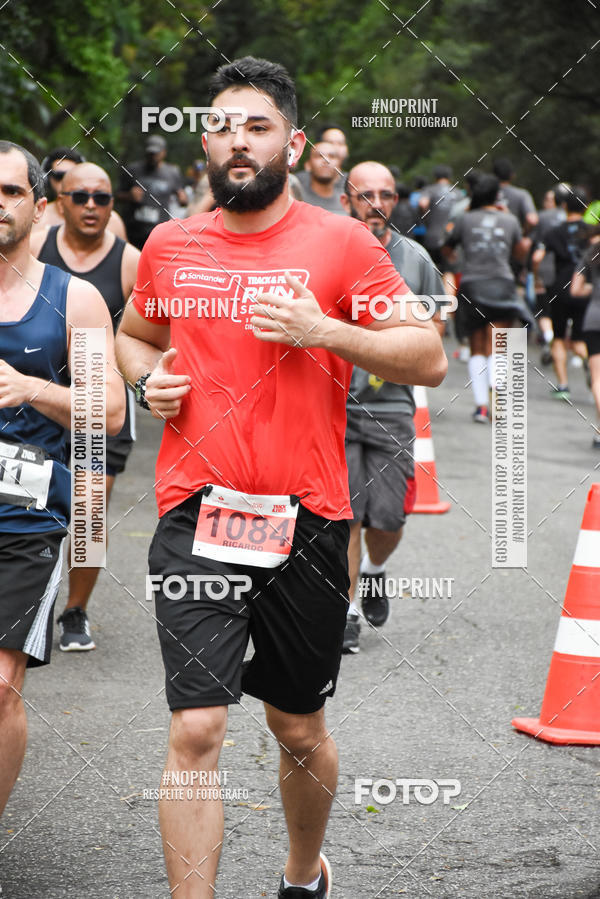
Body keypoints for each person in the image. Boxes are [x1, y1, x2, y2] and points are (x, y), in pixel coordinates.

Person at [115, 55, 446, 899]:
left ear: (292, 144)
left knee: (296, 725)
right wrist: (144, 378)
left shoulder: (340, 243)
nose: (236, 141)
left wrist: (324, 331)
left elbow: (428, 355)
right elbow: (135, 334)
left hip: (307, 517)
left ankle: (304, 870)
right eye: (221, 125)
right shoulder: (170, 243)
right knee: (196, 724)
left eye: (256, 126)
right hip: (195, 513)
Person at [0, 141, 124, 831]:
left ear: (38, 206)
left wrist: (30, 389)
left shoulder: (70, 298)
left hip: (25, 521)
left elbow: (107, 407)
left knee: (0, 689)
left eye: (11, 191)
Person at [30, 163, 141, 650]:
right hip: (38, 400)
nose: (92, 206)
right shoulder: (35, 248)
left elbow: (144, 335)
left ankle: (75, 611)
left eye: (102, 198)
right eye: (81, 197)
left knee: (90, 511)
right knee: (32, 505)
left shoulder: (129, 261)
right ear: (60, 203)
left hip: (99, 405)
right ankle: (31, 598)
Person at [339, 162, 446, 652]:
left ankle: (376, 571)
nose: (375, 203)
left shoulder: (417, 260)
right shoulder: (329, 251)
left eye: (385, 194)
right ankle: (347, 610)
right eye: (365, 194)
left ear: (396, 201)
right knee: (345, 516)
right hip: (333, 407)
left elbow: (435, 339)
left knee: (387, 518)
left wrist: (389, 346)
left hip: (393, 409)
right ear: (347, 201)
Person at [444, 173, 530, 422]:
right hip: (502, 283)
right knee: (499, 345)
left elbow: (446, 247)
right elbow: (520, 253)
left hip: (472, 284)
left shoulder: (465, 219)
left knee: (477, 346)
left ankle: (481, 406)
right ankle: (498, 398)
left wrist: (456, 262)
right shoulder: (510, 220)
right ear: (496, 196)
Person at [539, 186, 591, 399]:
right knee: (580, 340)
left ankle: (563, 385)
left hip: (560, 288)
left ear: (564, 206)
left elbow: (536, 258)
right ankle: (590, 363)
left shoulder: (554, 232)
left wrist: (539, 278)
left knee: (559, 337)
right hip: (584, 290)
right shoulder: (592, 232)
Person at [33, 147, 127, 239]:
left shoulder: (111, 220)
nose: (66, 180)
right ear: (47, 179)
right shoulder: (37, 217)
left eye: (72, 175)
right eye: (59, 176)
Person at [118, 135, 188, 248]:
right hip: (134, 231)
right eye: (150, 153)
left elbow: (183, 200)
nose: (152, 157)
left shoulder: (172, 173)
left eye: (156, 153)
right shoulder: (133, 170)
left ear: (164, 153)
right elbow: (117, 196)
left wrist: (183, 198)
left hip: (159, 233)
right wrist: (129, 196)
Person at [571, 232, 600, 448]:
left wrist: (593, 288)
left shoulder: (593, 250)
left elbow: (575, 289)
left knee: (598, 379)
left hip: (594, 319)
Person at [296, 141, 346, 214]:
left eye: (332, 156)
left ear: (339, 166)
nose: (326, 160)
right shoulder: (295, 198)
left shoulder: (346, 202)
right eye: (319, 156)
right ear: (308, 165)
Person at [492, 158, 538, 232]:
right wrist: (522, 233)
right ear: (512, 175)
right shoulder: (522, 195)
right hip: (512, 239)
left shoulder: (484, 193)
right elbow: (532, 220)